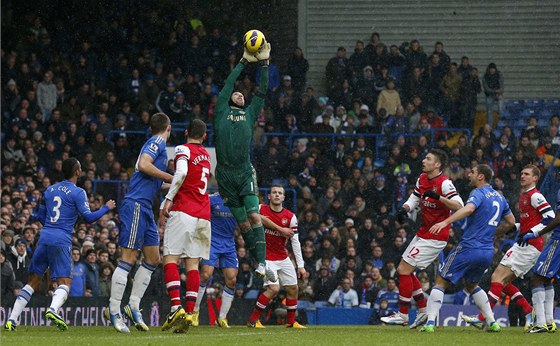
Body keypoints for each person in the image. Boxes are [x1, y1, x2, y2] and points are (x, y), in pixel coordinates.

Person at [4, 158, 115, 331]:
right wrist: (106, 208)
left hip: (44, 237)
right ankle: (53, 310)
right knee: (65, 283)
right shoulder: (78, 192)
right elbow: (89, 218)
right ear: (77, 172)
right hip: (61, 239)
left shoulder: (49, 190)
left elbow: (40, 217)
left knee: (32, 282)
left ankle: (11, 319)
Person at [419, 164, 516, 333]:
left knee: (441, 281)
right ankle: (492, 322)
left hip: (469, 247)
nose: (469, 174)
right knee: (472, 285)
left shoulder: (477, 193)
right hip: (487, 251)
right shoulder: (500, 198)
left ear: (481, 177)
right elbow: (511, 222)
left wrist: (445, 222)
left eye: (472, 172)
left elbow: (469, 208)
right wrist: (494, 234)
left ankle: (430, 324)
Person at [463, 165, 554, 330]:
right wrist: (516, 227)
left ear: (535, 178)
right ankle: (528, 312)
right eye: (521, 173)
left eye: (526, 174)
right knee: (502, 282)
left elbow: (550, 217)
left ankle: (484, 318)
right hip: (521, 244)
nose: (522, 176)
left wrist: (533, 233)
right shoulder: (524, 196)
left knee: (497, 277)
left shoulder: (535, 196)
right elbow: (530, 220)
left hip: (531, 245)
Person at [214, 41, 276, 282]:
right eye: (236, 92)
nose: (239, 92)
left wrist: (264, 64)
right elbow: (228, 84)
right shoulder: (220, 110)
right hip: (225, 176)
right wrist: (241, 63)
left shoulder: (250, 113)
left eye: (242, 93)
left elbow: (262, 88)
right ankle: (258, 261)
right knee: (243, 225)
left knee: (253, 216)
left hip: (243, 172)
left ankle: (262, 263)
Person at [106, 113, 173, 333]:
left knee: (153, 258)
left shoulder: (155, 146)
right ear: (168, 128)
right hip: (136, 204)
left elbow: (153, 181)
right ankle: (114, 311)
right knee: (129, 258)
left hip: (145, 208)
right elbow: (144, 165)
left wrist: (177, 185)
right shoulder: (156, 142)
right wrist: (169, 177)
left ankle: (133, 305)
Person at [381, 149, 463, 327]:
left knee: (403, 269)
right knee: (405, 269)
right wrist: (405, 209)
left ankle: (403, 315)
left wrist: (439, 197)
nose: (423, 160)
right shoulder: (422, 179)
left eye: (428, 158)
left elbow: (459, 205)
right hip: (424, 231)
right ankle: (422, 310)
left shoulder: (445, 183)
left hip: (436, 235)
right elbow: (414, 198)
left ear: (437, 164)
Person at [160, 119, 211, 334]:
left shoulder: (182, 149)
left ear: (186, 132)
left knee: (170, 258)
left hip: (184, 210)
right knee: (192, 265)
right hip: (204, 214)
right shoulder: (207, 156)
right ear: (205, 137)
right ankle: (189, 312)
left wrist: (169, 198)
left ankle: (175, 307)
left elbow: (180, 174)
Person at [247, 185, 307, 329]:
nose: (277, 195)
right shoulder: (261, 209)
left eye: (280, 193)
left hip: (282, 257)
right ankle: (253, 320)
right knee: (274, 288)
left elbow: (295, 242)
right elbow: (256, 217)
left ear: (284, 197)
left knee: (293, 288)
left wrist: (301, 266)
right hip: (265, 257)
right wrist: (280, 229)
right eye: (274, 192)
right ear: (269, 196)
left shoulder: (290, 217)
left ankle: (291, 322)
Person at [191, 192, 238, 328]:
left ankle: (222, 318)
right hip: (212, 242)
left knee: (232, 279)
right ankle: (195, 311)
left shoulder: (238, 201)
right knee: (205, 274)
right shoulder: (211, 199)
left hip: (229, 243)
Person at [521, 189, 560, 333]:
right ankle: (549, 322)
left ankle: (541, 323)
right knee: (547, 278)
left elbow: (557, 218)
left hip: (557, 240)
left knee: (536, 278)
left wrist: (536, 233)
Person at [482, 63, 505, 127]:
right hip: (489, 95)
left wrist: (499, 93)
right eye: (491, 69)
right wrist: (495, 91)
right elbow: (487, 89)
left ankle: (502, 124)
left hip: (498, 94)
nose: (492, 70)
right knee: (489, 111)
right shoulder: (485, 77)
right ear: (488, 69)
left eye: (493, 69)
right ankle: (490, 125)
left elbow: (502, 87)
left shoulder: (499, 75)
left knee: (501, 109)